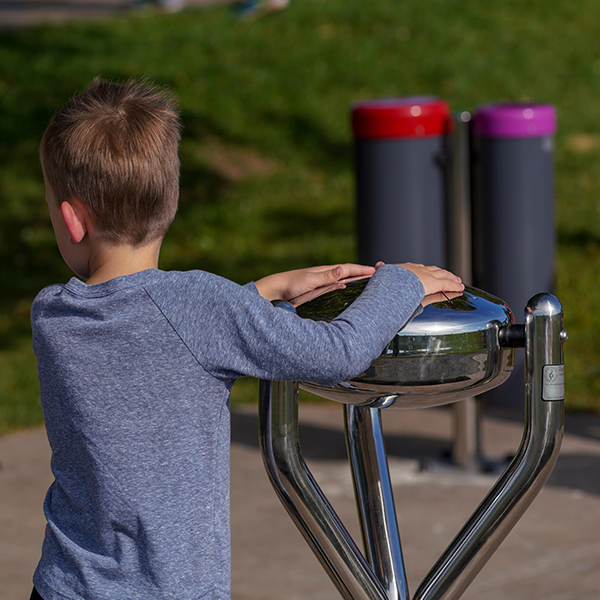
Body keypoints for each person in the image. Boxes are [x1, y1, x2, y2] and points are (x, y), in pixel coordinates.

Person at [30, 78, 464, 600]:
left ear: (72, 220)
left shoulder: (52, 316)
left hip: (65, 586)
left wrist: (263, 292)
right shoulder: (199, 305)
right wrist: (400, 283)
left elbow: (157, 335)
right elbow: (337, 353)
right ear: (169, 199)